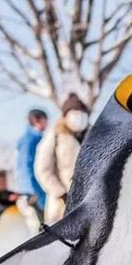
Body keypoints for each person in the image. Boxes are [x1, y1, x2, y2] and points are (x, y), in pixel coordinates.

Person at [35, 92, 90, 223]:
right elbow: (43, 169)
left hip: (89, 201)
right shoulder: (55, 135)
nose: (78, 115)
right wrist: (60, 193)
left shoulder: (94, 134)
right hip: (60, 204)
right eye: (74, 111)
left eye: (81, 111)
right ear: (65, 115)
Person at [16, 108, 49, 212]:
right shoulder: (31, 139)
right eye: (45, 120)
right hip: (35, 190)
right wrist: (32, 191)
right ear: (36, 120)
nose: (47, 124)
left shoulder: (28, 138)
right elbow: (26, 166)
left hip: (32, 188)